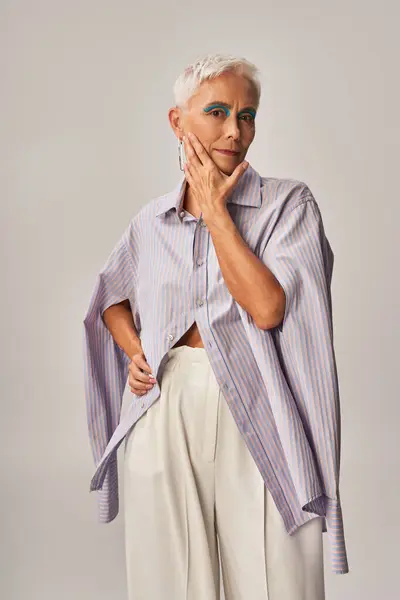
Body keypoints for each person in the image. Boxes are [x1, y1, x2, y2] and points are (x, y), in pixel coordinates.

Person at [83, 52, 349, 600]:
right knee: (169, 580)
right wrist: (136, 351)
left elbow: (268, 308)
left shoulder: (288, 205)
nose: (235, 130)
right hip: (167, 404)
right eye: (218, 112)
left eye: (247, 115)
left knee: (277, 579)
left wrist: (215, 212)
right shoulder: (152, 220)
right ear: (178, 122)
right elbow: (110, 296)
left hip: (261, 401)